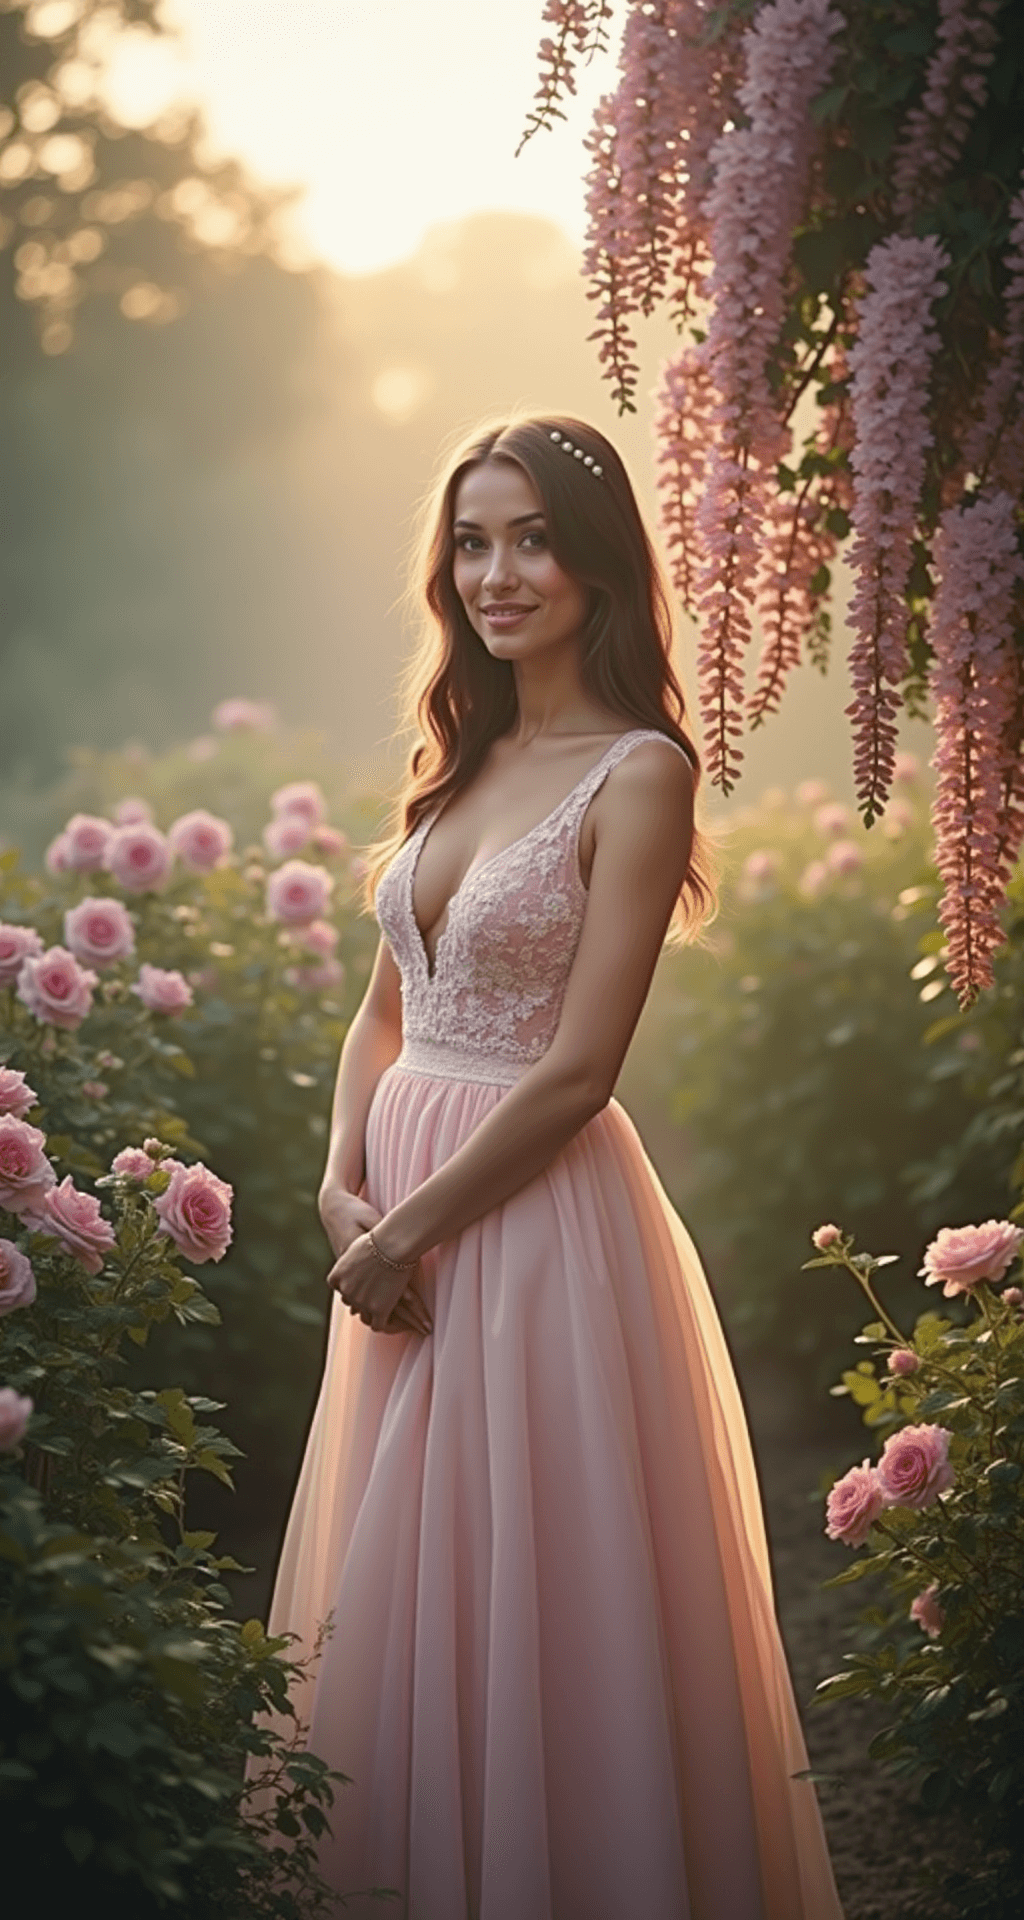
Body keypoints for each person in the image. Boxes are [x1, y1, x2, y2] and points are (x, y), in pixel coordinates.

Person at [266, 415, 844, 1918]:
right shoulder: (462, 760)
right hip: (394, 1211)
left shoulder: (638, 772)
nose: (497, 573)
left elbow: (584, 1067)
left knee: (537, 1567)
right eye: (471, 542)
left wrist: (414, 1233)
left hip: (525, 1212)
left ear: (595, 562)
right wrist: (343, 1184)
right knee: (401, 1570)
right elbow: (387, 1004)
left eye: (530, 539)